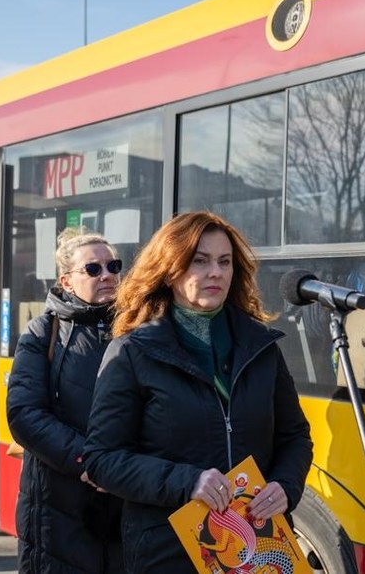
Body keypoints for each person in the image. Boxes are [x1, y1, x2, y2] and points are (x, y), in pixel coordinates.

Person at [83, 211, 314, 574]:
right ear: (170, 268)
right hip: (168, 551)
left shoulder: (261, 346)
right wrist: (187, 481)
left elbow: (295, 436)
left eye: (225, 262)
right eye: (199, 261)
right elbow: (102, 459)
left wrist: (285, 485)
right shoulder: (133, 351)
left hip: (257, 548)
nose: (216, 272)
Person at [7, 227, 124, 573]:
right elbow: (25, 415)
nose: (107, 275)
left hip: (125, 496)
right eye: (93, 269)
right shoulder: (43, 333)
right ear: (67, 281)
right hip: (57, 504)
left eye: (113, 266)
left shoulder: (139, 328)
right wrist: (89, 463)